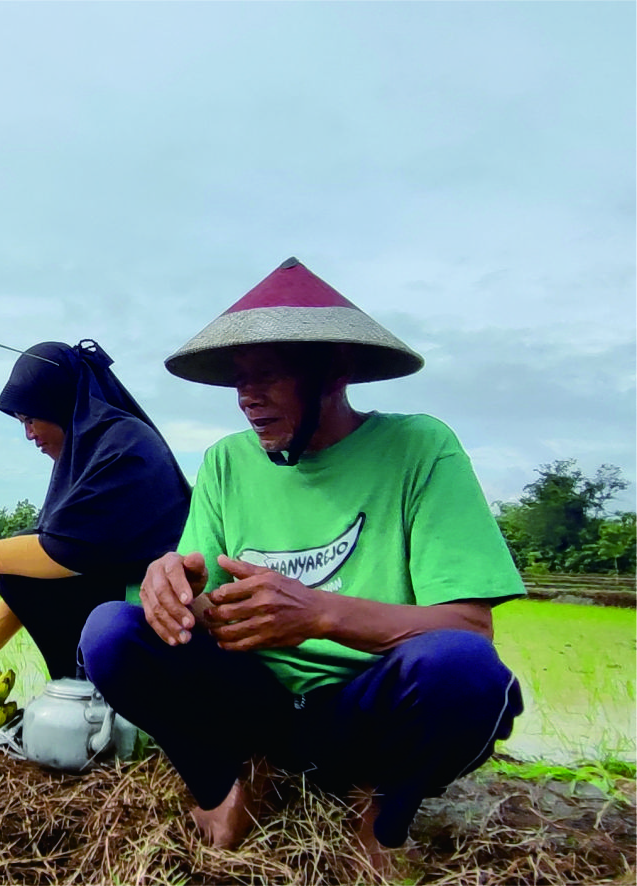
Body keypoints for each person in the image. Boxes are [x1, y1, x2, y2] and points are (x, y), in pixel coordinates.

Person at [79, 257, 525, 869]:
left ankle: (384, 821)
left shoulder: (419, 448)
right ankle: (222, 788)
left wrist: (319, 614)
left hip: (362, 708)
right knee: (112, 630)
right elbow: (209, 606)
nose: (247, 399)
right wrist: (178, 595)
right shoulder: (226, 462)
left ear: (335, 372)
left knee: (464, 670)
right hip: (252, 705)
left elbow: (471, 626)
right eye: (239, 379)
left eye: (268, 376)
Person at [0, 339, 191, 694]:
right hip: (128, 605)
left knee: (17, 571)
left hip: (164, 613)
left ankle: (97, 696)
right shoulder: (91, 453)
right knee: (19, 574)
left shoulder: (124, 447)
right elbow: (43, 570)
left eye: (32, 419)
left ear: (60, 404)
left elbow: (66, 552)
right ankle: (80, 695)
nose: (30, 435)